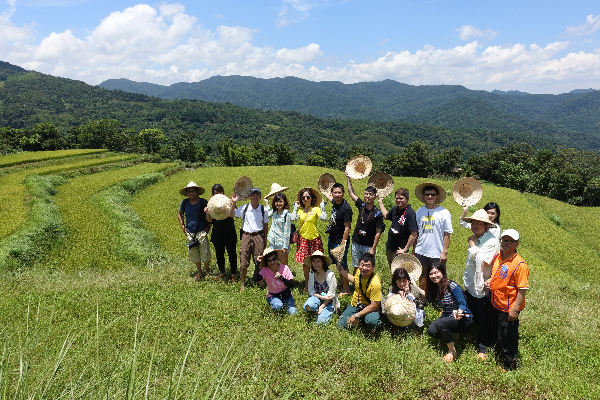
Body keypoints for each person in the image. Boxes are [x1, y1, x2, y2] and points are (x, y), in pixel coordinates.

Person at [485, 229, 529, 371]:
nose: (505, 243)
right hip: (495, 302)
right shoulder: (499, 256)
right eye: (504, 240)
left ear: (517, 244)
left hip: (508, 307)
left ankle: (510, 364)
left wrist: (514, 309)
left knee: (508, 335)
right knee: (497, 331)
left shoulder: (520, 265)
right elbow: (497, 274)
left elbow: (522, 289)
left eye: (509, 241)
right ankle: (499, 355)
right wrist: (490, 281)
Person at [462, 209, 500, 360]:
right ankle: (471, 335)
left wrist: (472, 246)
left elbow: (483, 261)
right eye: (473, 223)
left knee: (484, 317)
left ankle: (484, 346)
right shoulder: (477, 238)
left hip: (482, 287)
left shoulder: (491, 240)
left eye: (479, 223)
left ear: (486, 225)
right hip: (472, 284)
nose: (475, 225)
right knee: (474, 313)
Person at [426, 262, 474, 363]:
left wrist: (459, 312)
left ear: (442, 272)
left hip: (464, 318)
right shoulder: (436, 287)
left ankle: (452, 351)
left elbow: (463, 303)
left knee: (440, 323)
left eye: (436, 272)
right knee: (432, 331)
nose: (434, 276)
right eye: (431, 274)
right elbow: (426, 297)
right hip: (448, 318)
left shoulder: (451, 285)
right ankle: (454, 334)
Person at [413, 182, 453, 289]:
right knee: (422, 276)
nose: (429, 197)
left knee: (440, 277)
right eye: (427, 194)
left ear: (437, 196)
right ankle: (424, 297)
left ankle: (442, 298)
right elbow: (417, 232)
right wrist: (414, 250)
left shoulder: (444, 212)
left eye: (432, 194)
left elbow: (447, 234)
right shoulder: (420, 211)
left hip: (437, 252)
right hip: (421, 250)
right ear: (423, 196)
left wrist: (444, 252)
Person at [346, 171, 384, 276]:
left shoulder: (378, 214)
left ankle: (367, 286)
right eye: (366, 194)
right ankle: (356, 287)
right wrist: (348, 178)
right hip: (356, 242)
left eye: (370, 194)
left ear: (375, 197)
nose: (368, 196)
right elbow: (351, 193)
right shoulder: (361, 205)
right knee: (356, 267)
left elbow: (378, 233)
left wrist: (373, 248)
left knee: (367, 268)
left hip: (368, 246)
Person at [290, 187, 328, 292]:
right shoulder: (300, 210)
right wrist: (295, 208)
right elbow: (293, 218)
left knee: (318, 262)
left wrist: (323, 207)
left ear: (312, 198)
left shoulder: (316, 209)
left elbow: (324, 218)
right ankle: (307, 284)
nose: (305, 199)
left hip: (315, 239)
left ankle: (319, 282)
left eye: (308, 197)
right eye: (303, 197)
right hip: (303, 239)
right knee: (306, 263)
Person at [232, 187, 269, 291]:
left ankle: (260, 279)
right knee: (244, 259)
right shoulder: (245, 207)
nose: (255, 197)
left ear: (260, 197)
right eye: (253, 195)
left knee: (259, 259)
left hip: (258, 235)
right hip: (246, 235)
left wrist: (265, 238)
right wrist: (234, 203)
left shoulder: (263, 209)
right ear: (250, 197)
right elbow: (231, 214)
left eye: (257, 195)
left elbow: (265, 224)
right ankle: (242, 283)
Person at [336, 253, 383, 330]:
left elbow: (374, 306)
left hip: (369, 307)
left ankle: (362, 318)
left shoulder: (375, 283)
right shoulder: (359, 271)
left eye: (367, 266)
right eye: (362, 265)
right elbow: (355, 280)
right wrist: (342, 271)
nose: (364, 268)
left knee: (373, 322)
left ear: (373, 267)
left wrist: (356, 315)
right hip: (355, 305)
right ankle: (360, 319)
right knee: (340, 325)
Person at [322, 182, 353, 295]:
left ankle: (346, 288)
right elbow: (330, 198)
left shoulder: (346, 208)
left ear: (343, 193)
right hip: (332, 237)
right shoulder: (335, 202)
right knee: (337, 262)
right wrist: (325, 192)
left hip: (340, 240)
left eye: (339, 192)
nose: (337, 194)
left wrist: (342, 244)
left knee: (342, 264)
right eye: (335, 192)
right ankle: (342, 281)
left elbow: (347, 228)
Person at [177, 181, 211, 281]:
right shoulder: (184, 203)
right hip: (190, 233)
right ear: (187, 193)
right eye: (189, 191)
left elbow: (211, 214)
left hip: (202, 231)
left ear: (197, 192)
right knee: (194, 253)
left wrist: (209, 226)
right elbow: (179, 214)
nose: (191, 193)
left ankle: (207, 271)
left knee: (205, 252)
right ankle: (199, 272)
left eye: (193, 191)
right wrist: (182, 226)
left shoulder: (203, 202)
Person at [378, 188, 418, 270]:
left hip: (400, 250)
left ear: (407, 199)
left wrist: (405, 249)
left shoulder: (410, 213)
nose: (398, 200)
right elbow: (386, 216)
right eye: (397, 198)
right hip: (390, 247)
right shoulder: (395, 209)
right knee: (392, 270)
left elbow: (414, 234)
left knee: (399, 273)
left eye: (401, 198)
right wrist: (380, 202)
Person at [205, 184, 237, 281]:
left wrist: (233, 204)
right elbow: (209, 221)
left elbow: (234, 214)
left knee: (232, 254)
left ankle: (233, 274)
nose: (218, 194)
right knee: (219, 254)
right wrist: (207, 213)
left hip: (229, 232)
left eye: (220, 192)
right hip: (217, 233)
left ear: (223, 192)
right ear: (213, 194)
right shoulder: (211, 205)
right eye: (216, 192)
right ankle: (222, 272)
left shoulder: (229, 202)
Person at [303, 250, 340, 324]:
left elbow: (331, 295)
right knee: (307, 306)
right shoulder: (311, 274)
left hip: (328, 301)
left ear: (323, 262)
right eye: (313, 261)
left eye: (318, 261)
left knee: (320, 322)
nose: (316, 264)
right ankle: (317, 309)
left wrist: (321, 307)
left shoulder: (330, 275)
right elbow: (311, 290)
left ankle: (322, 311)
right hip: (317, 297)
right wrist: (321, 297)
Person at [258, 248, 297, 315]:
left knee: (293, 313)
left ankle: (284, 303)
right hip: (273, 296)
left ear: (277, 258)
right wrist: (257, 263)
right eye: (269, 260)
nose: (272, 262)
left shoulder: (285, 268)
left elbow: (292, 285)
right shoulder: (265, 270)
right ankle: (275, 304)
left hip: (287, 295)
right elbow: (255, 279)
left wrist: (281, 278)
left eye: (274, 259)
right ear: (267, 262)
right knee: (278, 306)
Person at [264, 190, 292, 266]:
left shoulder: (287, 214)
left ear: (284, 202)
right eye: (276, 202)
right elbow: (268, 214)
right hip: (273, 241)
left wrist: (285, 247)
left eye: (280, 201)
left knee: (283, 263)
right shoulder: (274, 212)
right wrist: (267, 202)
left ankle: (285, 277)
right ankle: (273, 277)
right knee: (272, 262)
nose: (278, 203)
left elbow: (287, 231)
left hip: (282, 242)